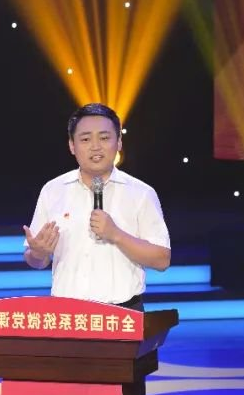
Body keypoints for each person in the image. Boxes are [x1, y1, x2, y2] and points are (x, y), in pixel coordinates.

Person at [23, 103, 171, 311]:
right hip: (67, 313)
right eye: (85, 139)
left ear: (118, 142)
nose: (95, 146)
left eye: (104, 138)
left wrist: (116, 234)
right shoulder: (53, 190)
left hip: (123, 312)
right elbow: (36, 261)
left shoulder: (141, 193)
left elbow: (162, 260)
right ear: (72, 145)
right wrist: (38, 253)